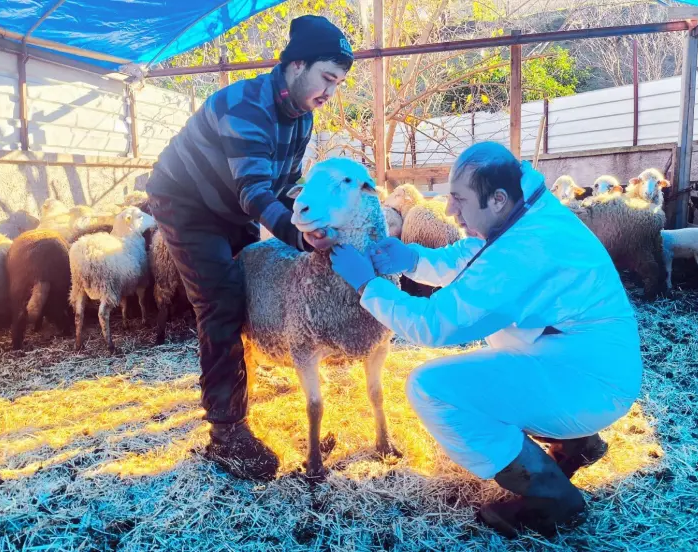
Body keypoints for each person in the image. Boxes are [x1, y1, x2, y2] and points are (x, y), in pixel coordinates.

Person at [329, 141, 643, 538]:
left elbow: (434, 325)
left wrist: (368, 285)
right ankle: (577, 443)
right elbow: (471, 258)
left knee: (432, 388)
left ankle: (550, 496)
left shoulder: (523, 249)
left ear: (497, 199)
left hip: (590, 383)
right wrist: (411, 259)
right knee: (500, 348)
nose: (449, 210)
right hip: (586, 362)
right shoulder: (525, 215)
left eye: (459, 199)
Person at [146, 15, 353, 481]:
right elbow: (255, 192)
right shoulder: (245, 106)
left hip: (231, 203)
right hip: (186, 202)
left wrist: (310, 221)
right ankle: (226, 433)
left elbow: (284, 186)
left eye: (337, 84)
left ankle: (243, 391)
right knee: (220, 300)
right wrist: (300, 239)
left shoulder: (301, 116)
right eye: (326, 78)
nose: (330, 92)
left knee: (250, 292)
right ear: (296, 64)